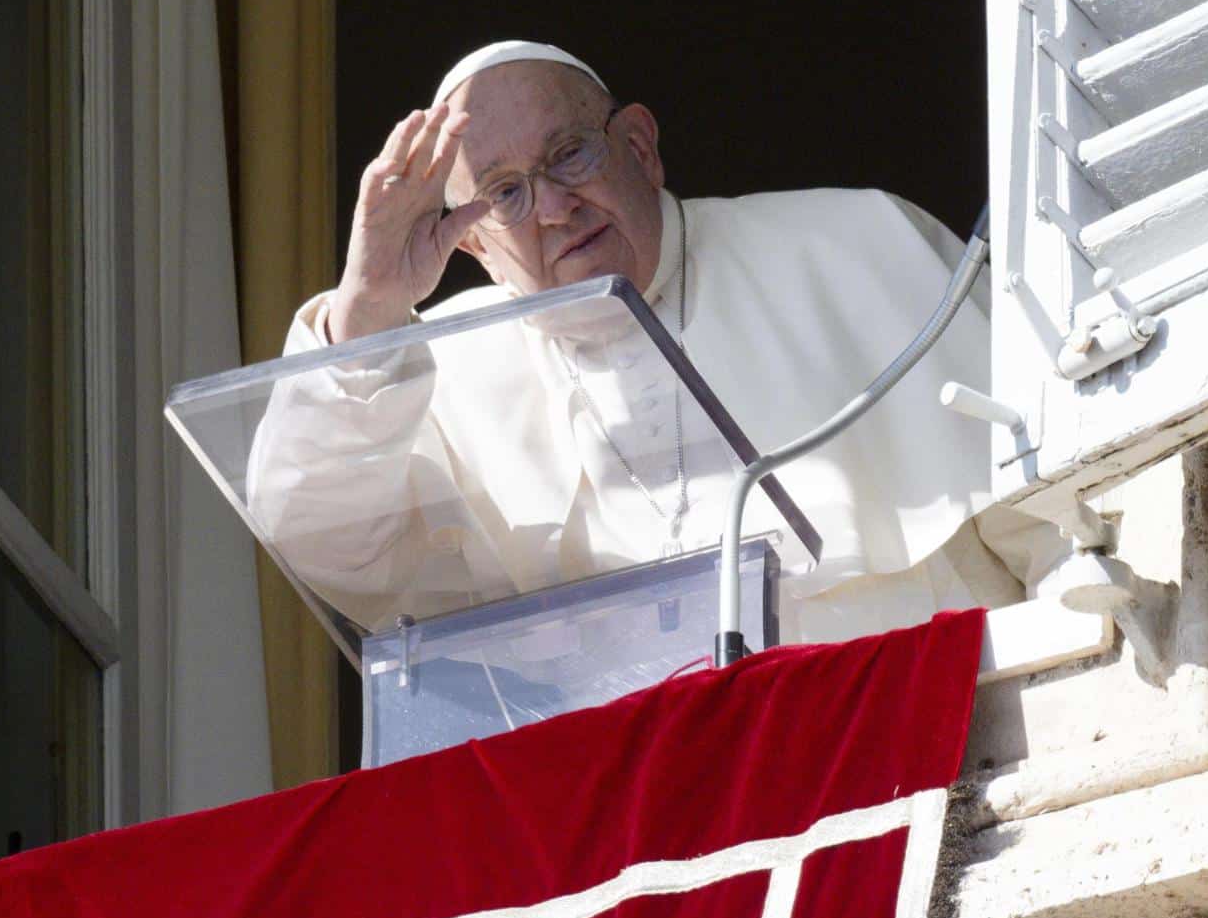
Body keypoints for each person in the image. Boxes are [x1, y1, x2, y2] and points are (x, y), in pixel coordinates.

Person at [249, 41, 1067, 642]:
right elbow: (330, 545)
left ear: (638, 145)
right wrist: (367, 312)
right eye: (504, 195)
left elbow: (1057, 504)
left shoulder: (854, 242)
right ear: (472, 244)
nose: (555, 208)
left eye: (569, 154)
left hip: (931, 752)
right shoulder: (437, 366)